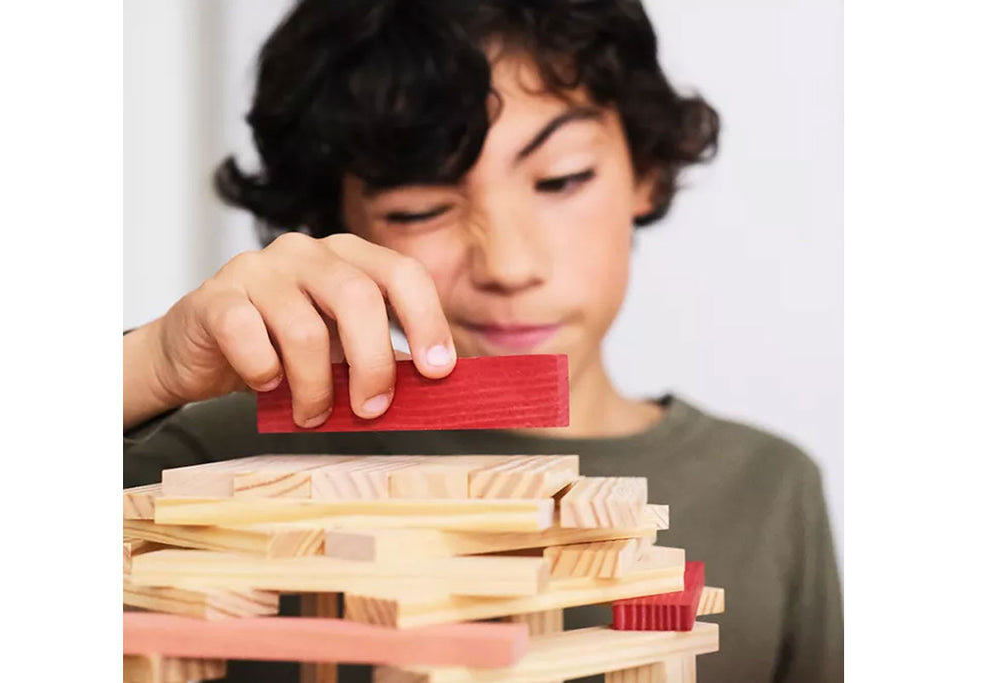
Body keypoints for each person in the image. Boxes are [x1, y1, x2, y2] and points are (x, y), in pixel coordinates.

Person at [123, 1, 843, 681]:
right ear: (336, 222)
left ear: (645, 171)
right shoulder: (214, 459)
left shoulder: (771, 490)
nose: (507, 265)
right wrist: (150, 364)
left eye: (561, 178)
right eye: (422, 207)